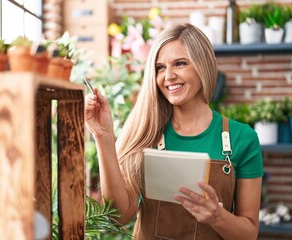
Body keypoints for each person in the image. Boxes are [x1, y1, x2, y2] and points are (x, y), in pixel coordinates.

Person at [85, 23, 263, 240]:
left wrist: (217, 216)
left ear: (203, 66)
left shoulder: (242, 138)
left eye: (180, 63)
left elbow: (249, 233)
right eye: (160, 67)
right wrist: (103, 138)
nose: (168, 76)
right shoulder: (146, 133)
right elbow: (118, 217)